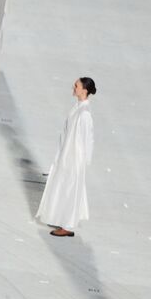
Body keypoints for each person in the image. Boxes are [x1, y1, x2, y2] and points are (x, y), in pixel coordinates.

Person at [37, 77, 98, 238]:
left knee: (71, 189)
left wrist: (82, 161)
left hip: (74, 159)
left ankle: (68, 225)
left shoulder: (84, 114)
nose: (73, 87)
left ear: (84, 90)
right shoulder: (77, 108)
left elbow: (87, 140)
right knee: (64, 187)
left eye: (76, 86)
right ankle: (62, 218)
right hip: (68, 156)